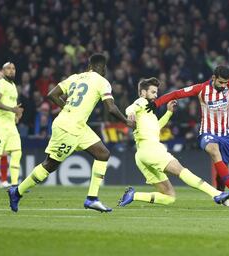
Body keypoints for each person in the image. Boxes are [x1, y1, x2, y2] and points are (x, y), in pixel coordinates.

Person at [8, 53, 135, 213]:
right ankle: (17, 191)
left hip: (77, 125)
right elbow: (110, 108)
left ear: (89, 66)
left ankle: (92, 199)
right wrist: (127, 122)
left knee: (103, 154)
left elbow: (52, 94)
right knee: (50, 165)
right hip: (68, 128)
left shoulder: (75, 77)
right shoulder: (103, 82)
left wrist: (66, 108)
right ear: (102, 68)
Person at [145, 66, 229, 200]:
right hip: (207, 132)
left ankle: (222, 193)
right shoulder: (201, 89)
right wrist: (157, 103)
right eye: (221, 82)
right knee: (213, 150)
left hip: (226, 135)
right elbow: (176, 94)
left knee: (222, 169)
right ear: (213, 78)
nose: (223, 86)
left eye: (225, 83)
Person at [118, 77, 229, 207]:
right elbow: (131, 107)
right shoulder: (141, 101)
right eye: (153, 92)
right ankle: (216, 194)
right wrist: (130, 113)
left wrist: (169, 113)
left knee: (169, 197)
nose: (156, 95)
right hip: (152, 150)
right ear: (143, 93)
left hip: (141, 155)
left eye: (156, 92)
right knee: (182, 171)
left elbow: (156, 127)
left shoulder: (147, 113)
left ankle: (134, 195)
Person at [0, 63, 23, 189]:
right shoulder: (0, 84)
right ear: (3, 71)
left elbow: (12, 106)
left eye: (13, 68)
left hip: (10, 125)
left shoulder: (13, 85)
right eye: (8, 68)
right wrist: (12, 109)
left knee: (17, 152)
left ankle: (14, 186)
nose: (11, 70)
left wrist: (16, 114)